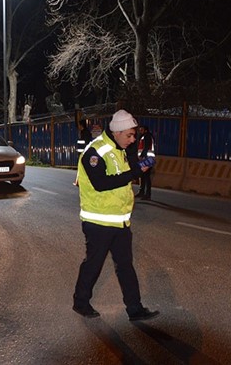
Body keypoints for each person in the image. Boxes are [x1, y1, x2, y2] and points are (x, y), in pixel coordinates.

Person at [72, 109, 160, 321]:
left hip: (119, 221)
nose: (132, 140)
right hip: (97, 221)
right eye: (129, 135)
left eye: (134, 136)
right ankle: (80, 303)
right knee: (93, 264)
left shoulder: (119, 149)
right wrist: (136, 172)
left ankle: (135, 309)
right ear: (117, 132)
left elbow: (123, 177)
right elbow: (102, 184)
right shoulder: (95, 152)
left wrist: (137, 164)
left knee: (125, 265)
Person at [135, 125, 156, 200]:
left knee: (146, 177)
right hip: (145, 158)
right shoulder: (144, 136)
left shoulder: (147, 136)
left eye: (141, 130)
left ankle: (147, 194)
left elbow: (146, 147)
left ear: (145, 130)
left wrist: (141, 156)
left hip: (147, 159)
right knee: (143, 176)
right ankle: (142, 192)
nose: (140, 131)